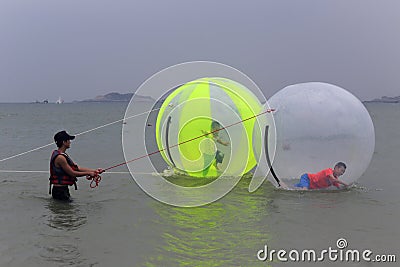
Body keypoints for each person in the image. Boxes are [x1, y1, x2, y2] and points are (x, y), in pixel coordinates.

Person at [49, 130, 103, 201]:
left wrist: (94, 171)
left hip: (63, 189)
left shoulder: (63, 155)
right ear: (64, 142)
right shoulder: (60, 158)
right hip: (59, 191)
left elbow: (76, 168)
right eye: (68, 140)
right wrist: (88, 173)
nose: (70, 142)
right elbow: (72, 173)